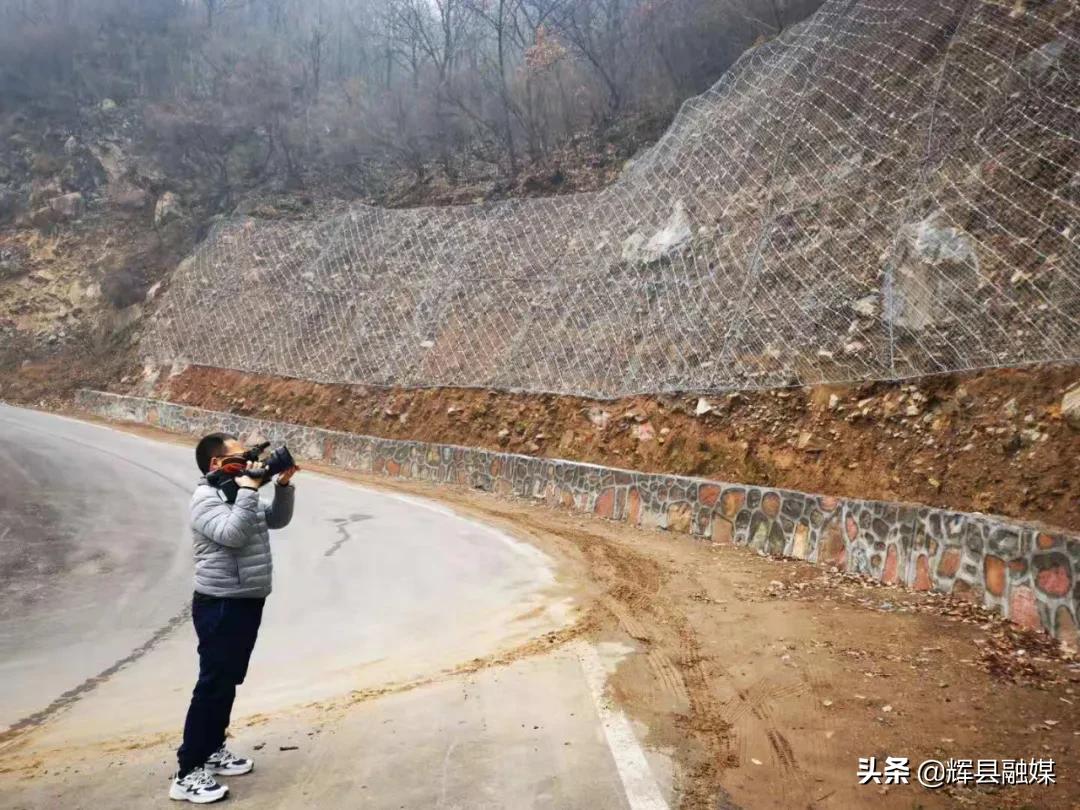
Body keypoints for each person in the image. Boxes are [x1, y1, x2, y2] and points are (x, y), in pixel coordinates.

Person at [169, 432, 299, 804]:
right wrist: (248, 489)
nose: (250, 462)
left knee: (227, 682)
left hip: (246, 600)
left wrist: (284, 486)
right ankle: (188, 770)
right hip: (220, 604)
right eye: (242, 456)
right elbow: (234, 534)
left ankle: (212, 749)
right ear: (217, 463)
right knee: (212, 685)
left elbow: (275, 520)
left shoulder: (236, 490)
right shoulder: (205, 498)